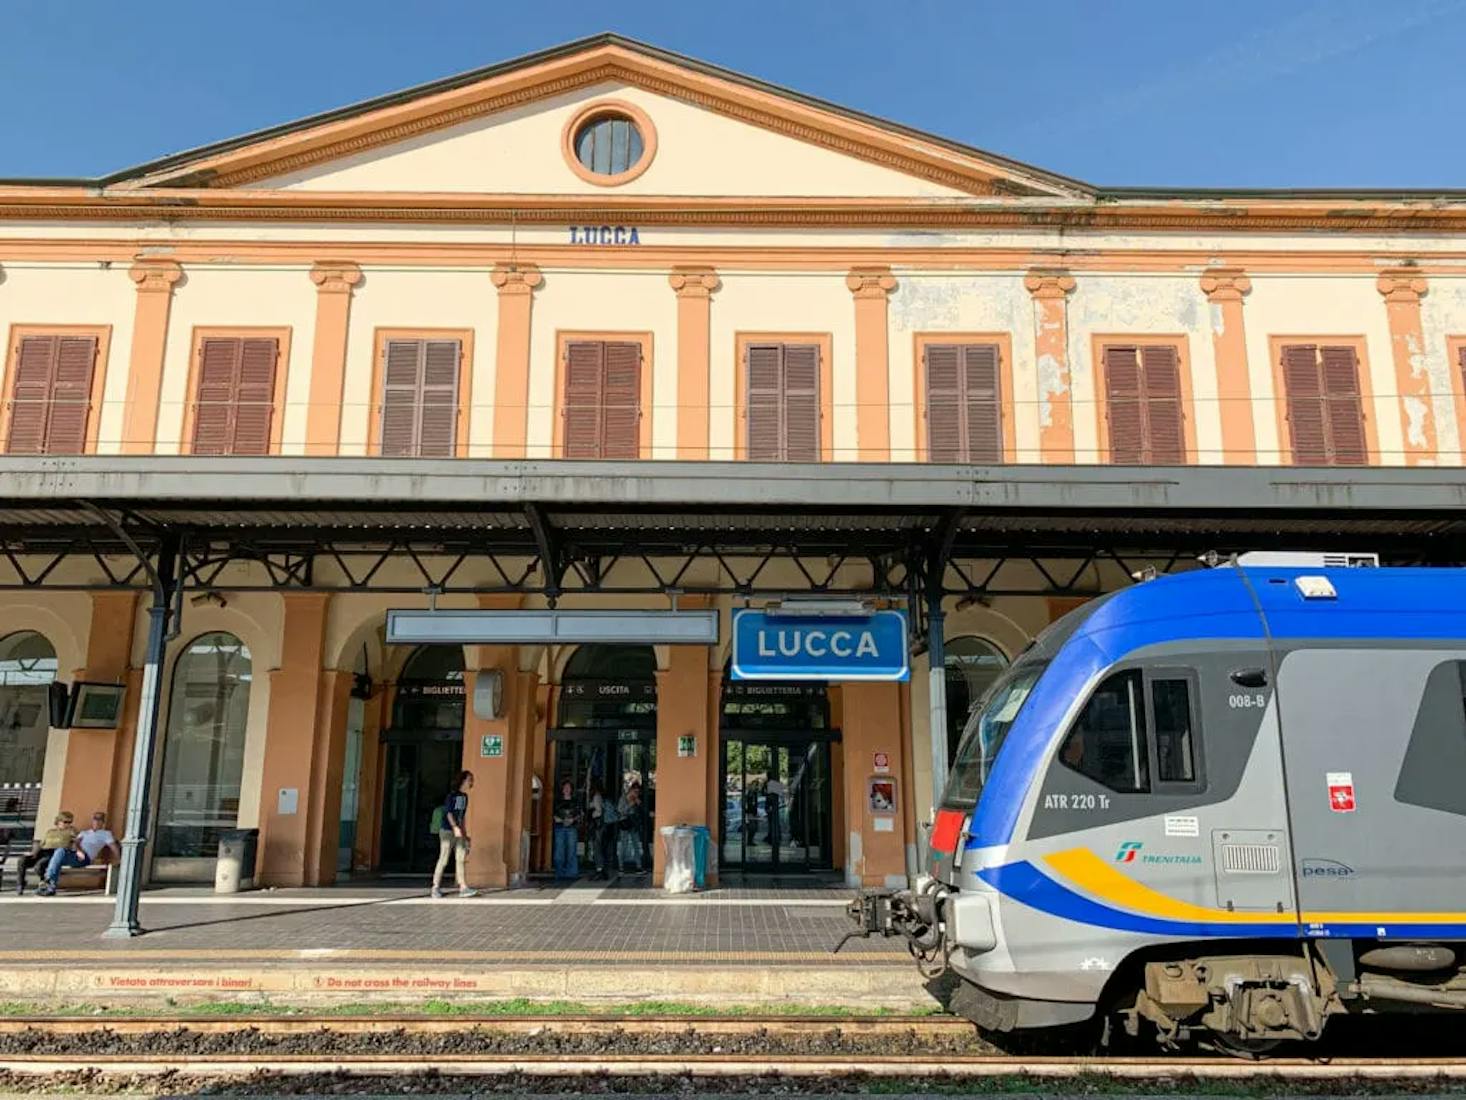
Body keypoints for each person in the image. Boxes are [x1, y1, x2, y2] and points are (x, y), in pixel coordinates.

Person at [36, 811, 119, 897]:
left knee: (59, 853)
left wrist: (119, 860)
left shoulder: (106, 834)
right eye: (95, 818)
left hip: (85, 858)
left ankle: (49, 884)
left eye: (99, 819)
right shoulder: (84, 832)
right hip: (75, 854)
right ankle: (50, 885)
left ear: (103, 822)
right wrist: (79, 851)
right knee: (58, 853)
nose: (97, 821)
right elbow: (76, 843)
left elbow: (114, 847)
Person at [431, 771, 478, 900]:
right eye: (469, 779)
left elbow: (462, 816)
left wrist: (465, 833)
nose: (471, 782)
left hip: (458, 831)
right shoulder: (452, 796)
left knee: (461, 858)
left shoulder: (465, 797)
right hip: (447, 830)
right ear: (462, 781)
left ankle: (463, 887)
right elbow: (448, 813)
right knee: (444, 858)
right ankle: (435, 887)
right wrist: (455, 827)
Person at [17, 812, 75, 896]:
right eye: (65, 822)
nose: (68, 824)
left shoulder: (71, 831)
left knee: (39, 865)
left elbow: (77, 840)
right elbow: (41, 844)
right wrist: (33, 853)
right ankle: (20, 884)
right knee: (22, 860)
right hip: (43, 851)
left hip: (54, 853)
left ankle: (44, 883)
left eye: (70, 822)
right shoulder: (50, 832)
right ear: (59, 821)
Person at [552, 779, 580, 880]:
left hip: (572, 828)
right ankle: (560, 872)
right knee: (559, 850)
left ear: (571, 789)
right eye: (565, 787)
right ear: (562, 789)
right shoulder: (557, 801)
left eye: (569, 787)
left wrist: (572, 820)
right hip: (560, 827)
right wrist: (560, 820)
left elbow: (579, 814)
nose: (567, 789)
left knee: (571, 850)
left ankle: (571, 873)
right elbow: (553, 814)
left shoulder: (575, 801)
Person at [616, 782, 644, 873]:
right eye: (635, 791)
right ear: (631, 790)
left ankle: (638, 866)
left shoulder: (636, 799)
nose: (636, 794)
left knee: (636, 844)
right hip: (625, 823)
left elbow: (640, 811)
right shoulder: (623, 798)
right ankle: (621, 866)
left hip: (634, 824)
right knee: (624, 845)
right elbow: (620, 810)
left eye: (637, 792)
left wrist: (638, 804)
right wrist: (630, 805)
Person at [586, 779, 607, 880]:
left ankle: (599, 870)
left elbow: (598, 812)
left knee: (597, 847)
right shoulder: (600, 796)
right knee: (599, 847)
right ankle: (601, 869)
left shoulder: (596, 796)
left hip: (598, 826)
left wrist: (591, 814)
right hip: (601, 826)